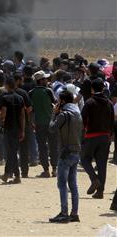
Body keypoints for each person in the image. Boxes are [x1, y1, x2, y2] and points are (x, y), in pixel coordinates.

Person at [48, 90, 83, 223]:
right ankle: (74, 213)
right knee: (73, 184)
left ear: (62, 101)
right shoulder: (77, 113)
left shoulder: (64, 115)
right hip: (76, 151)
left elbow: (52, 128)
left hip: (65, 152)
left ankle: (64, 213)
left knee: (62, 184)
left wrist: (54, 114)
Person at [80, 78, 114, 199]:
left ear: (92, 89)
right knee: (102, 164)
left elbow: (82, 121)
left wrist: (82, 136)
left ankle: (94, 179)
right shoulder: (109, 103)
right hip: (105, 137)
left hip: (91, 136)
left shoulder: (89, 102)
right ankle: (100, 192)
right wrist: (110, 135)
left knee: (84, 159)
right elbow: (112, 121)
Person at [30, 70, 58, 178]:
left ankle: (46, 170)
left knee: (42, 147)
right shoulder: (48, 91)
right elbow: (55, 103)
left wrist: (31, 122)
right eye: (45, 79)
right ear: (41, 81)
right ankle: (54, 169)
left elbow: (30, 109)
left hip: (38, 123)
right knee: (53, 146)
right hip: (51, 123)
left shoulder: (31, 93)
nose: (47, 80)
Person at [0, 77, 26, 184]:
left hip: (8, 128)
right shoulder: (20, 98)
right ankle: (13, 175)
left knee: (11, 152)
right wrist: (23, 130)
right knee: (13, 151)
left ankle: (10, 175)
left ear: (7, 85)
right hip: (17, 128)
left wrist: (1, 121)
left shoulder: (5, 98)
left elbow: (3, 113)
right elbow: (22, 115)